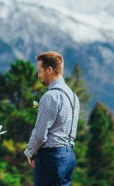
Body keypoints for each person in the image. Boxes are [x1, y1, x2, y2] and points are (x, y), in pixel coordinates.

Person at [25, 51, 80, 186]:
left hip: (52, 158)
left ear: (49, 70)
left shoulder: (51, 96)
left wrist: (29, 152)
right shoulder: (73, 96)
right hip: (69, 156)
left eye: (40, 71)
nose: (38, 75)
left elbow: (40, 134)